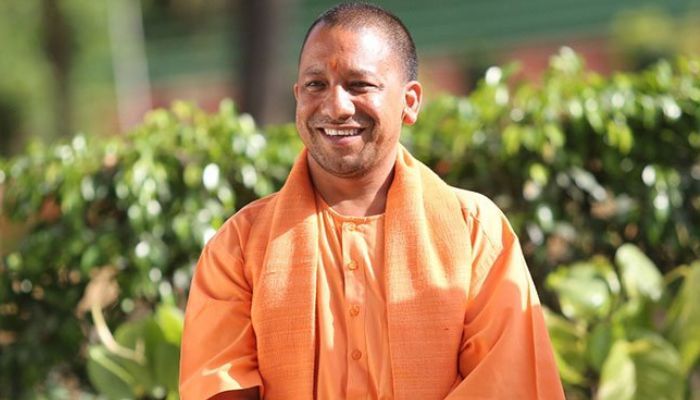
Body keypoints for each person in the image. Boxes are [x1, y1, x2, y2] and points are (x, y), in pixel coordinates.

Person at [179, 2, 564, 399]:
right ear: (297, 96)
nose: (336, 107)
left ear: (410, 101)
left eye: (359, 85)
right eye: (315, 85)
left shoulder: (475, 232)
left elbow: (507, 384)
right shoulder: (239, 247)